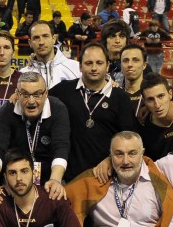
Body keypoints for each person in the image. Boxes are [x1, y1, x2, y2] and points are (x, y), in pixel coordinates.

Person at [49, 42, 135, 181]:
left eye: (99, 63)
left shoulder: (121, 97)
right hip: (71, 178)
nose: (94, 68)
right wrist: (17, 95)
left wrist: (111, 158)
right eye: (88, 63)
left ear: (107, 66)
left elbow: (129, 138)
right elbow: (39, 96)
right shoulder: (64, 90)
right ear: (80, 66)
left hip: (107, 178)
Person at [0, 72, 71, 205]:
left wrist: (55, 180)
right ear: (17, 94)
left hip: (49, 177)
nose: (31, 101)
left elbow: (61, 148)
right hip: (15, 181)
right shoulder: (7, 111)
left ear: (46, 94)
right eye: (25, 94)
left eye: (37, 94)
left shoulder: (58, 109)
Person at [21, 21, 80, 88]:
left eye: (45, 36)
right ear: (30, 43)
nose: (41, 42)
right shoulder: (23, 74)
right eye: (36, 38)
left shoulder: (75, 68)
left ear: (54, 39)